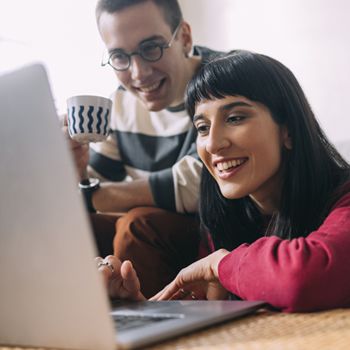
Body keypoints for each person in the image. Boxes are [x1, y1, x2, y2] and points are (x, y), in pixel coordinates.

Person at [96, 50, 350, 312]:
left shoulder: (344, 198)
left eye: (235, 118)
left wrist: (219, 264)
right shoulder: (226, 215)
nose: (214, 144)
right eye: (203, 128)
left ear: (288, 130)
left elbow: (303, 281)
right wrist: (141, 312)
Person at [63, 0, 222, 297]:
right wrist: (78, 171)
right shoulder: (120, 104)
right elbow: (91, 190)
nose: (138, 73)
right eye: (119, 57)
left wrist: (92, 194)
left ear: (184, 37)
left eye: (151, 48)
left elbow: (194, 187)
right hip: (157, 237)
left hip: (214, 230)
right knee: (77, 226)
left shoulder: (219, 81)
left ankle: (151, 323)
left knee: (137, 225)